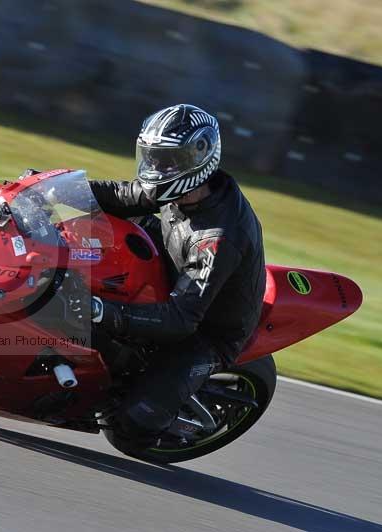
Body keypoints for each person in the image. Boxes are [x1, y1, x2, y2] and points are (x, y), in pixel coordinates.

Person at [87, 104, 266, 443]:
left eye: (165, 159)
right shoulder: (180, 186)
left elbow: (182, 319)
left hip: (206, 331)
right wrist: (52, 188)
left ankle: (169, 421)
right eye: (152, 156)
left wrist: (100, 311)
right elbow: (125, 195)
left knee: (131, 426)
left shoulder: (218, 237)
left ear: (197, 159)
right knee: (97, 229)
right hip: (173, 262)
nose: (155, 167)